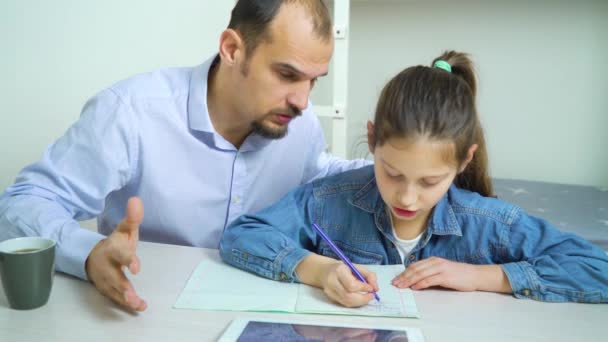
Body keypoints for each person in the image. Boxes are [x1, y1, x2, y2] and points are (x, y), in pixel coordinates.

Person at [0, 0, 368, 312]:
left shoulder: (297, 125)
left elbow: (324, 174)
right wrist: (88, 253)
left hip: (270, 316)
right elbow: (20, 205)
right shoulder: (131, 112)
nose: (303, 101)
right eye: (287, 74)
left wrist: (400, 164)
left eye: (314, 80)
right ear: (232, 49)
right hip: (147, 314)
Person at [220, 51, 608, 307]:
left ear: (463, 161)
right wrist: (319, 270)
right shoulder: (330, 200)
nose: (407, 196)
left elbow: (596, 269)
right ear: (371, 140)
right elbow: (241, 235)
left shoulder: (489, 224)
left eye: (429, 182)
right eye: (392, 172)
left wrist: (483, 276)